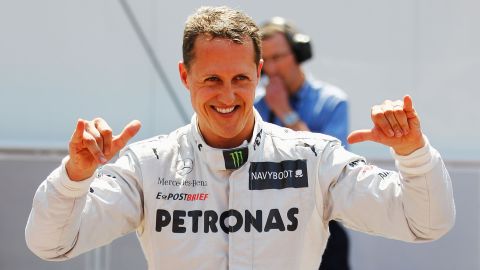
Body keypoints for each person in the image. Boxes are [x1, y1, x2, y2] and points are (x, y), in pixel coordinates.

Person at [25, 6, 455, 270]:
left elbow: (424, 223)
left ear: (259, 75)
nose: (228, 96)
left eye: (241, 79)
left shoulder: (313, 159)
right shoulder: (149, 165)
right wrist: (74, 176)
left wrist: (413, 154)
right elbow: (50, 242)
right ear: (184, 75)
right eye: (212, 78)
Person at [254, 17, 350, 270]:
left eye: (279, 57)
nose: (272, 70)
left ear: (298, 54)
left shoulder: (331, 102)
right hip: (269, 227)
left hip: (322, 226)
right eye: (267, 62)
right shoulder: (255, 107)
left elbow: (333, 165)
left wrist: (285, 112)